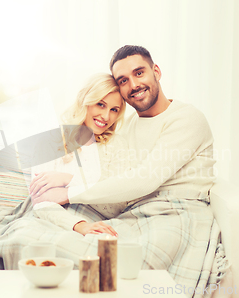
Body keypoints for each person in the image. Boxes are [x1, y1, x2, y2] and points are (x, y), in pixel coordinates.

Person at [31, 45, 216, 209]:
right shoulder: (126, 127)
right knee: (101, 244)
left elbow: (145, 178)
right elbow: (113, 180)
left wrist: (67, 191)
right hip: (134, 214)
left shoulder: (186, 118)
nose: (134, 85)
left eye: (139, 73)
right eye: (123, 80)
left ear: (156, 72)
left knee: (110, 245)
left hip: (179, 210)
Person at [29, 73, 130, 236]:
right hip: (51, 221)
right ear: (86, 101)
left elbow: (117, 205)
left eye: (114, 110)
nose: (105, 116)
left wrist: (68, 179)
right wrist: (80, 226)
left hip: (99, 223)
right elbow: (41, 201)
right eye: (100, 104)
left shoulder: (117, 145)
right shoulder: (49, 141)